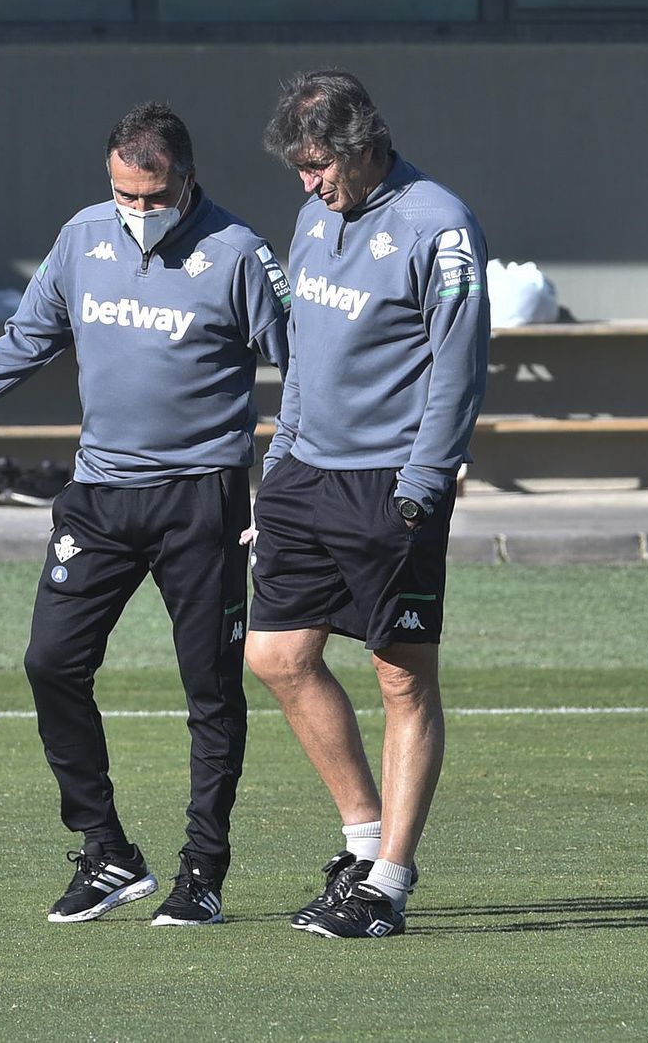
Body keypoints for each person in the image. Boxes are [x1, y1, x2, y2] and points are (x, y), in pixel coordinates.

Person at [0, 102, 291, 927]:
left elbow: (299, 368)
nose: (135, 213)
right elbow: (24, 342)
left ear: (187, 181)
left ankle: (202, 870)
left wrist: (284, 490)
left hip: (202, 497)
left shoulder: (238, 253)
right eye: (123, 196)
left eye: (151, 197)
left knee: (210, 689)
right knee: (50, 663)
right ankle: (107, 851)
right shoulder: (82, 239)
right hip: (97, 496)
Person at [246, 71, 489, 938]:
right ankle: (360, 841)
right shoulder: (315, 218)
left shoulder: (439, 223)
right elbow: (305, 357)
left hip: (392, 481)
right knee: (274, 656)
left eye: (318, 164)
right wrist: (279, 464)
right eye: (300, 169)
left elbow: (458, 367)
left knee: (401, 677)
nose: (309, 183)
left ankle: (386, 881)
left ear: (360, 143)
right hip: (304, 475)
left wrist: (424, 485)